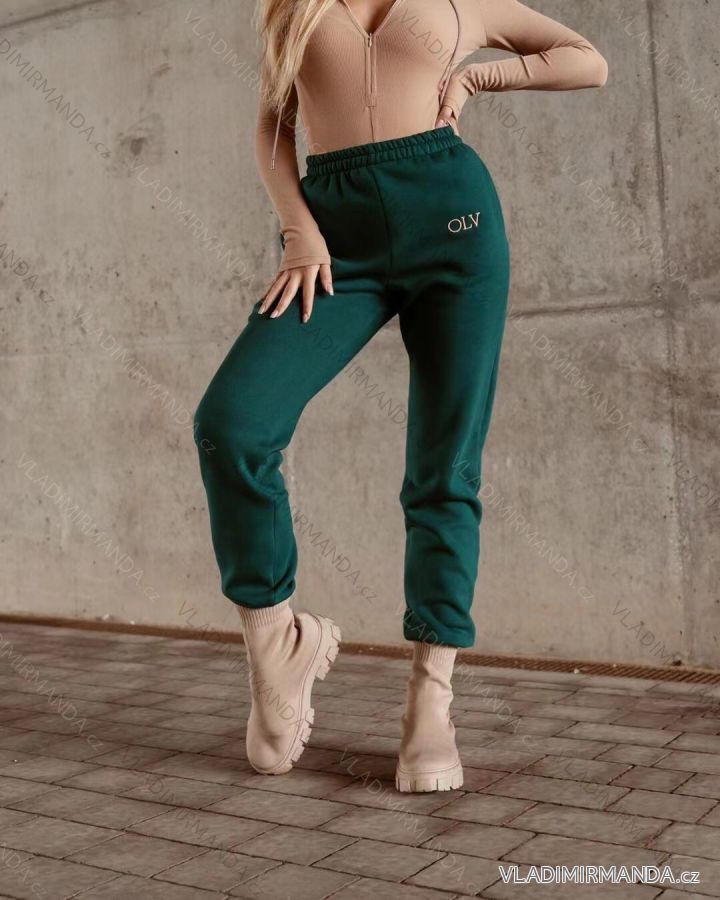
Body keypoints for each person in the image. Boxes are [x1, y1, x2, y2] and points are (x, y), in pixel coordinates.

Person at [194, 0, 607, 792]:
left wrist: (482, 78)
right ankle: (277, 642)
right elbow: (274, 125)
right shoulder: (294, 4)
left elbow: (587, 60)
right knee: (233, 424)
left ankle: (430, 700)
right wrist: (298, 231)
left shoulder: (459, 2)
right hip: (336, 241)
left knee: (443, 471)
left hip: (455, 224)